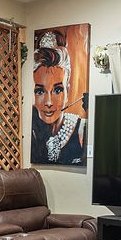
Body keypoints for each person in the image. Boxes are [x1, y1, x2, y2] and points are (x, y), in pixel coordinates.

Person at [31, 30, 86, 165]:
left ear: (67, 90)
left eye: (57, 90)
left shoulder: (82, 131)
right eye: (40, 91)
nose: (49, 102)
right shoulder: (30, 132)